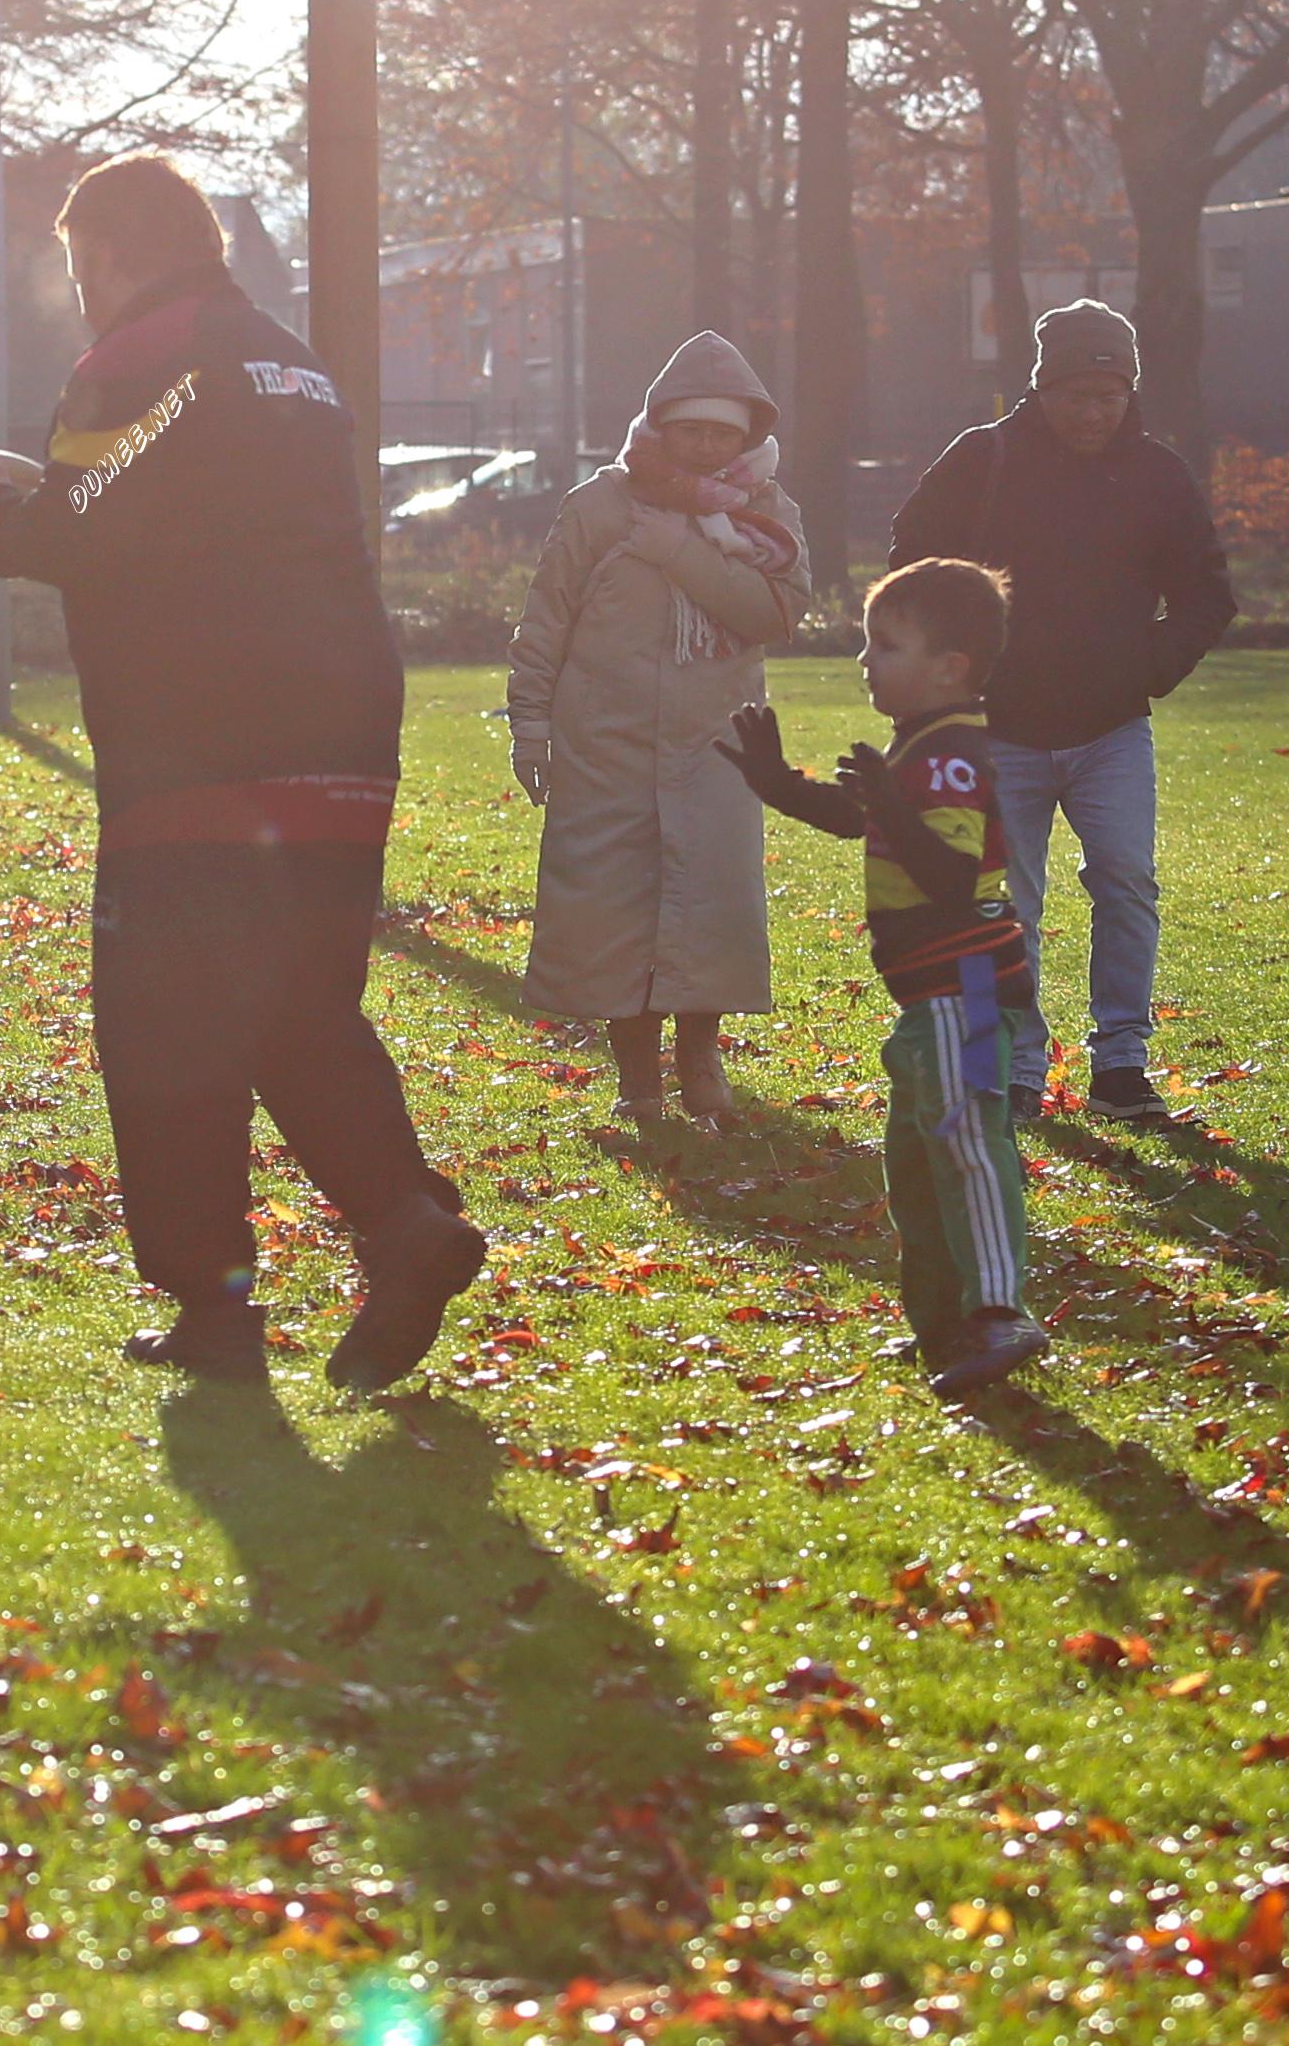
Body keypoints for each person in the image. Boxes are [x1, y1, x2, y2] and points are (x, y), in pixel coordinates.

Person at [0, 150, 488, 1393]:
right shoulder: (292, 360)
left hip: (201, 730)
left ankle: (219, 1312)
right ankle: (404, 1224)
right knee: (295, 1001)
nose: (74, 293)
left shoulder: (135, 359)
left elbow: (85, 523)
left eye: (75, 267)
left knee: (168, 1029)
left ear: (109, 251)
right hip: (343, 719)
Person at [883, 300, 1237, 1132]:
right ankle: (1013, 1070)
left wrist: (1146, 666)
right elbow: (909, 560)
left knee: (1126, 883)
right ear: (1042, 387)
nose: (1092, 411)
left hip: (1112, 728)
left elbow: (1206, 592)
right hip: (997, 727)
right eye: (1076, 393)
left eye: (1109, 394)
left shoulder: (1157, 473)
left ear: (1129, 393)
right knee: (1002, 905)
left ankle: (1121, 1062)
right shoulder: (983, 458)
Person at [725, 559, 1056, 1400]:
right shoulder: (919, 747)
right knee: (915, 1163)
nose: (865, 660)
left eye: (885, 644)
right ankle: (942, 1322)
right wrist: (778, 785)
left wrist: (889, 801)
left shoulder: (946, 757)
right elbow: (853, 817)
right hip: (932, 996)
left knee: (968, 1145)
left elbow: (946, 875)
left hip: (969, 988)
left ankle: (997, 1312)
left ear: (950, 666)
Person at [504, 334, 807, 1131]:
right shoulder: (597, 508)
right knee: (613, 913)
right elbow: (546, 621)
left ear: (747, 437)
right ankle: (635, 1076)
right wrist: (530, 725)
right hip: (605, 741)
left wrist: (679, 552)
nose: (708, 446)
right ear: (657, 426)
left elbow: (773, 612)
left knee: (707, 904)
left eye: (724, 433)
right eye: (691, 430)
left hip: (717, 742)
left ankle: (700, 1060)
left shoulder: (768, 512)